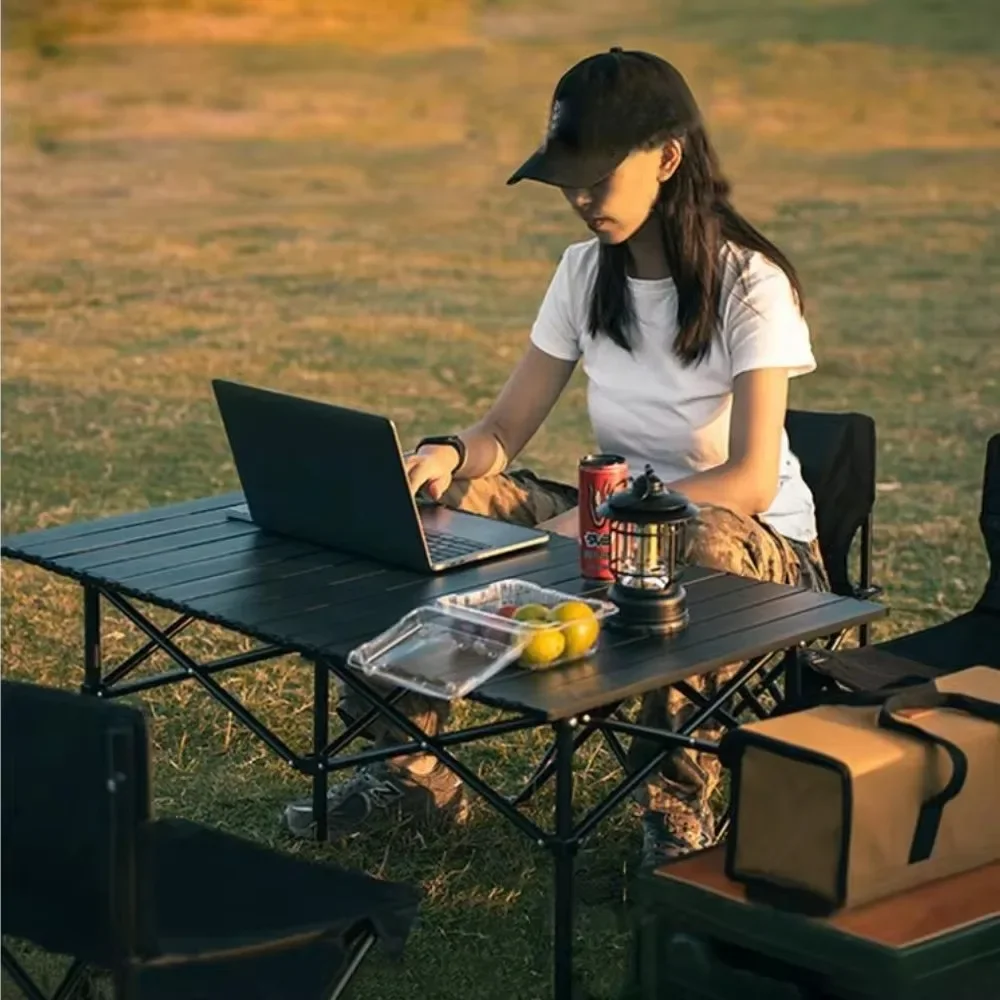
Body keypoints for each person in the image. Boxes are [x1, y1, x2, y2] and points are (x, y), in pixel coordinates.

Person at [283, 47, 829, 867]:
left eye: (595, 177)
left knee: (673, 551)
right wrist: (446, 454)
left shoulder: (748, 283)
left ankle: (679, 813)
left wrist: (606, 523)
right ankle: (410, 772)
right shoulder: (584, 273)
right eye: (566, 179)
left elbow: (747, 480)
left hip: (757, 551)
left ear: (667, 158)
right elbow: (504, 429)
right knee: (431, 511)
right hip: (608, 514)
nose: (578, 198)